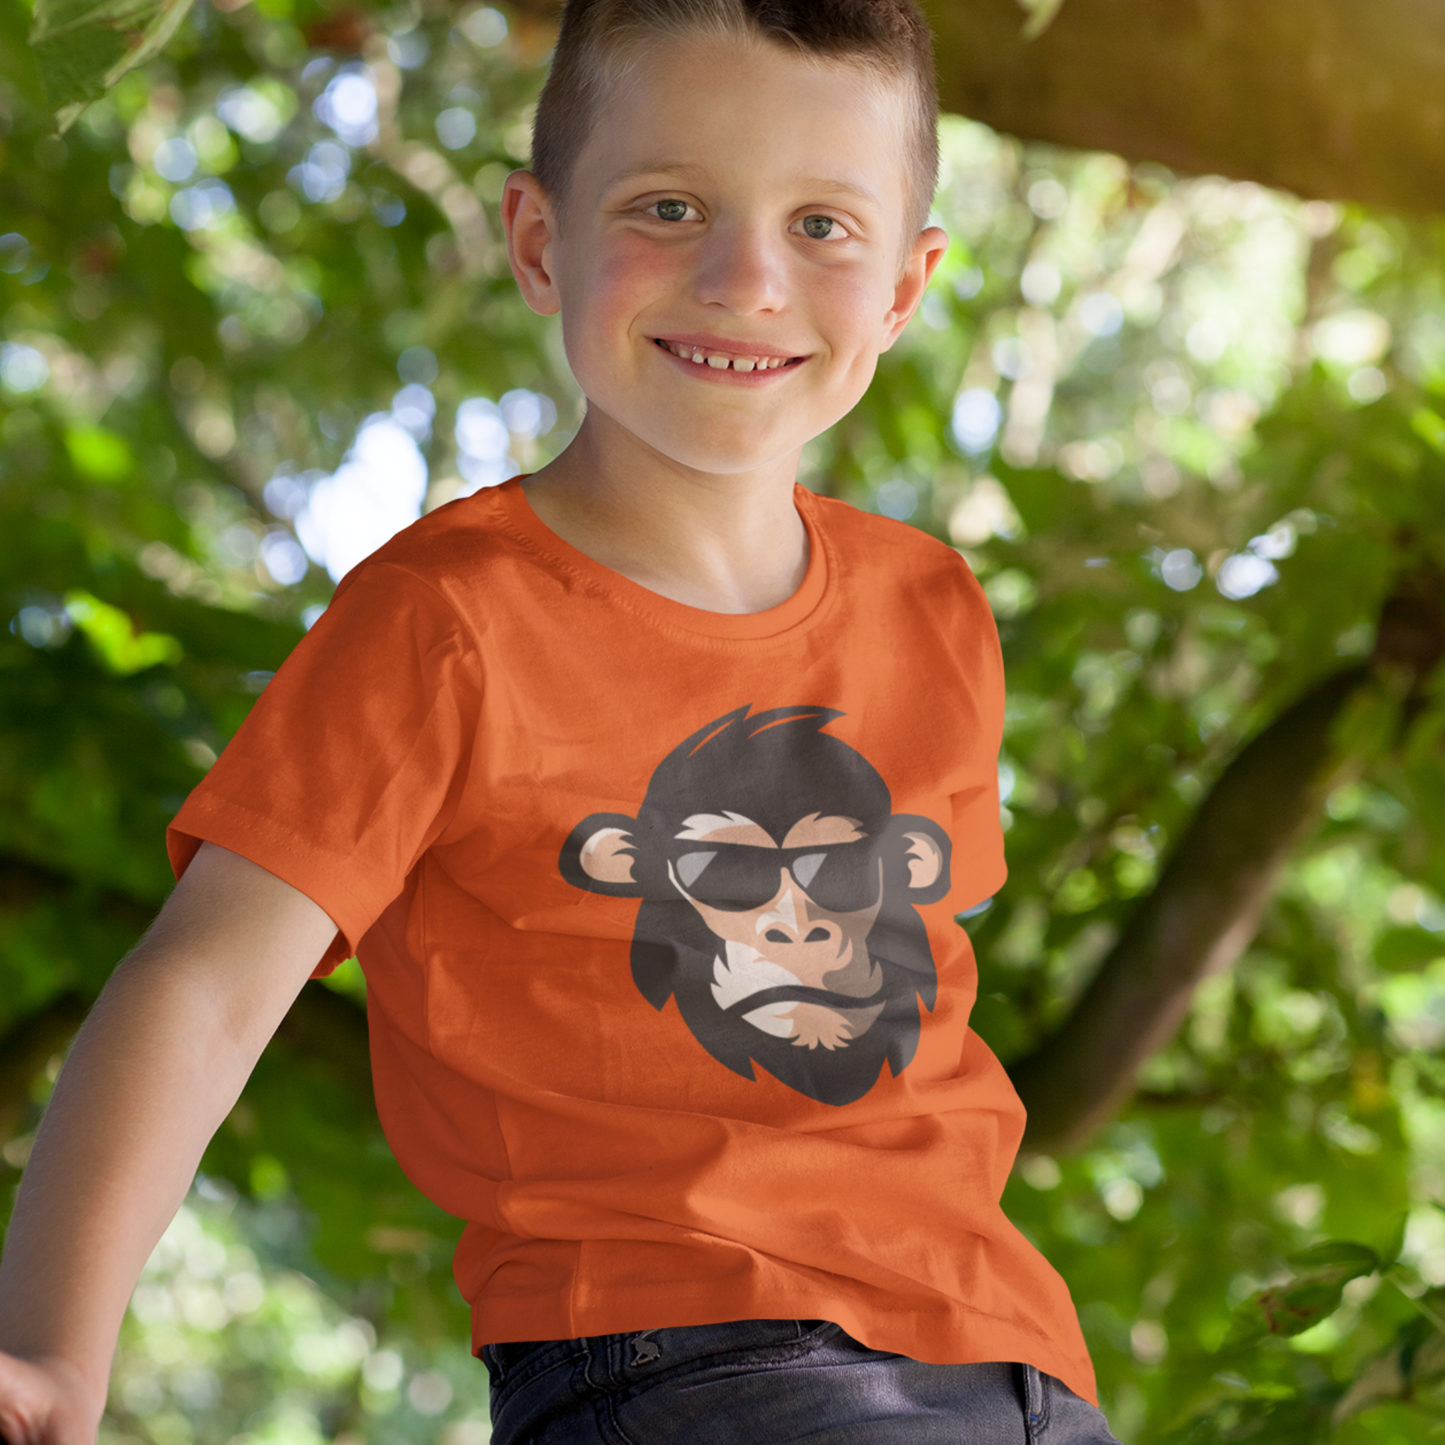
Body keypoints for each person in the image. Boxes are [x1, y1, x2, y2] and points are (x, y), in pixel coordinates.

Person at [0, 1, 1123, 1440]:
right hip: (681, 1358)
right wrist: (50, 1356)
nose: (747, 279)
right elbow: (208, 987)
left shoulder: (933, 612)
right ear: (539, 242)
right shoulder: (447, 623)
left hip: (1016, 1358)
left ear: (907, 288)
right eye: (670, 206)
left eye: (823, 227)